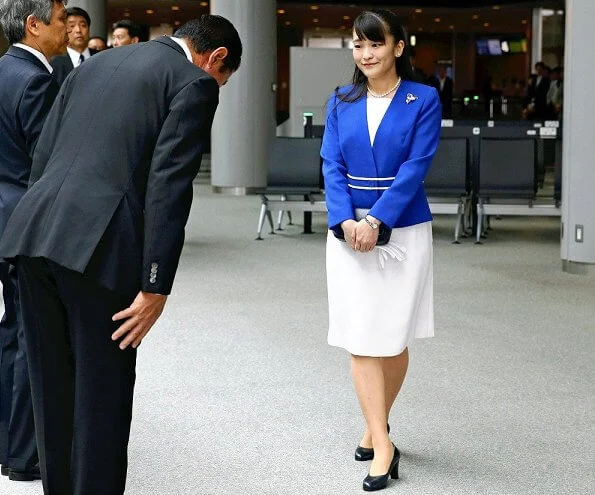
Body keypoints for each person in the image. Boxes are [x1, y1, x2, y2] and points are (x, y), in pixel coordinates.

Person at [0, 14, 242, 495]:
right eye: (223, 77)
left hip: (36, 236)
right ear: (215, 58)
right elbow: (168, 188)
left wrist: (39, 222)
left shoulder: (95, 64)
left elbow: (44, 155)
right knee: (101, 400)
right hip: (100, 250)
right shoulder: (193, 83)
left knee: (53, 394)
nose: (217, 83)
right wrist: (155, 284)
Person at [321, 9, 441, 492]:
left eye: (375, 44)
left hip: (402, 230)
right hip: (348, 234)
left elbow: (417, 165)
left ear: (398, 47)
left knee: (392, 335)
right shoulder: (341, 99)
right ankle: (384, 442)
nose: (365, 54)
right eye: (357, 44)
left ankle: (374, 424)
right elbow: (330, 161)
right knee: (360, 335)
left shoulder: (423, 98)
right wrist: (347, 219)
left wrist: (377, 219)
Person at [0, 0, 68, 483]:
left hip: (2, 215)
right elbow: (48, 164)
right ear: (34, 24)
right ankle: (25, 455)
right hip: (25, 221)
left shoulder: (3, 70)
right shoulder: (36, 80)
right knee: (31, 337)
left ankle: (8, 442)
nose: (68, 27)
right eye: (62, 19)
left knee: (10, 331)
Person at [50, 6, 96, 85]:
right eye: (72, 26)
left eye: (83, 25)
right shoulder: (54, 62)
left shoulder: (101, 56)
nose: (78, 30)